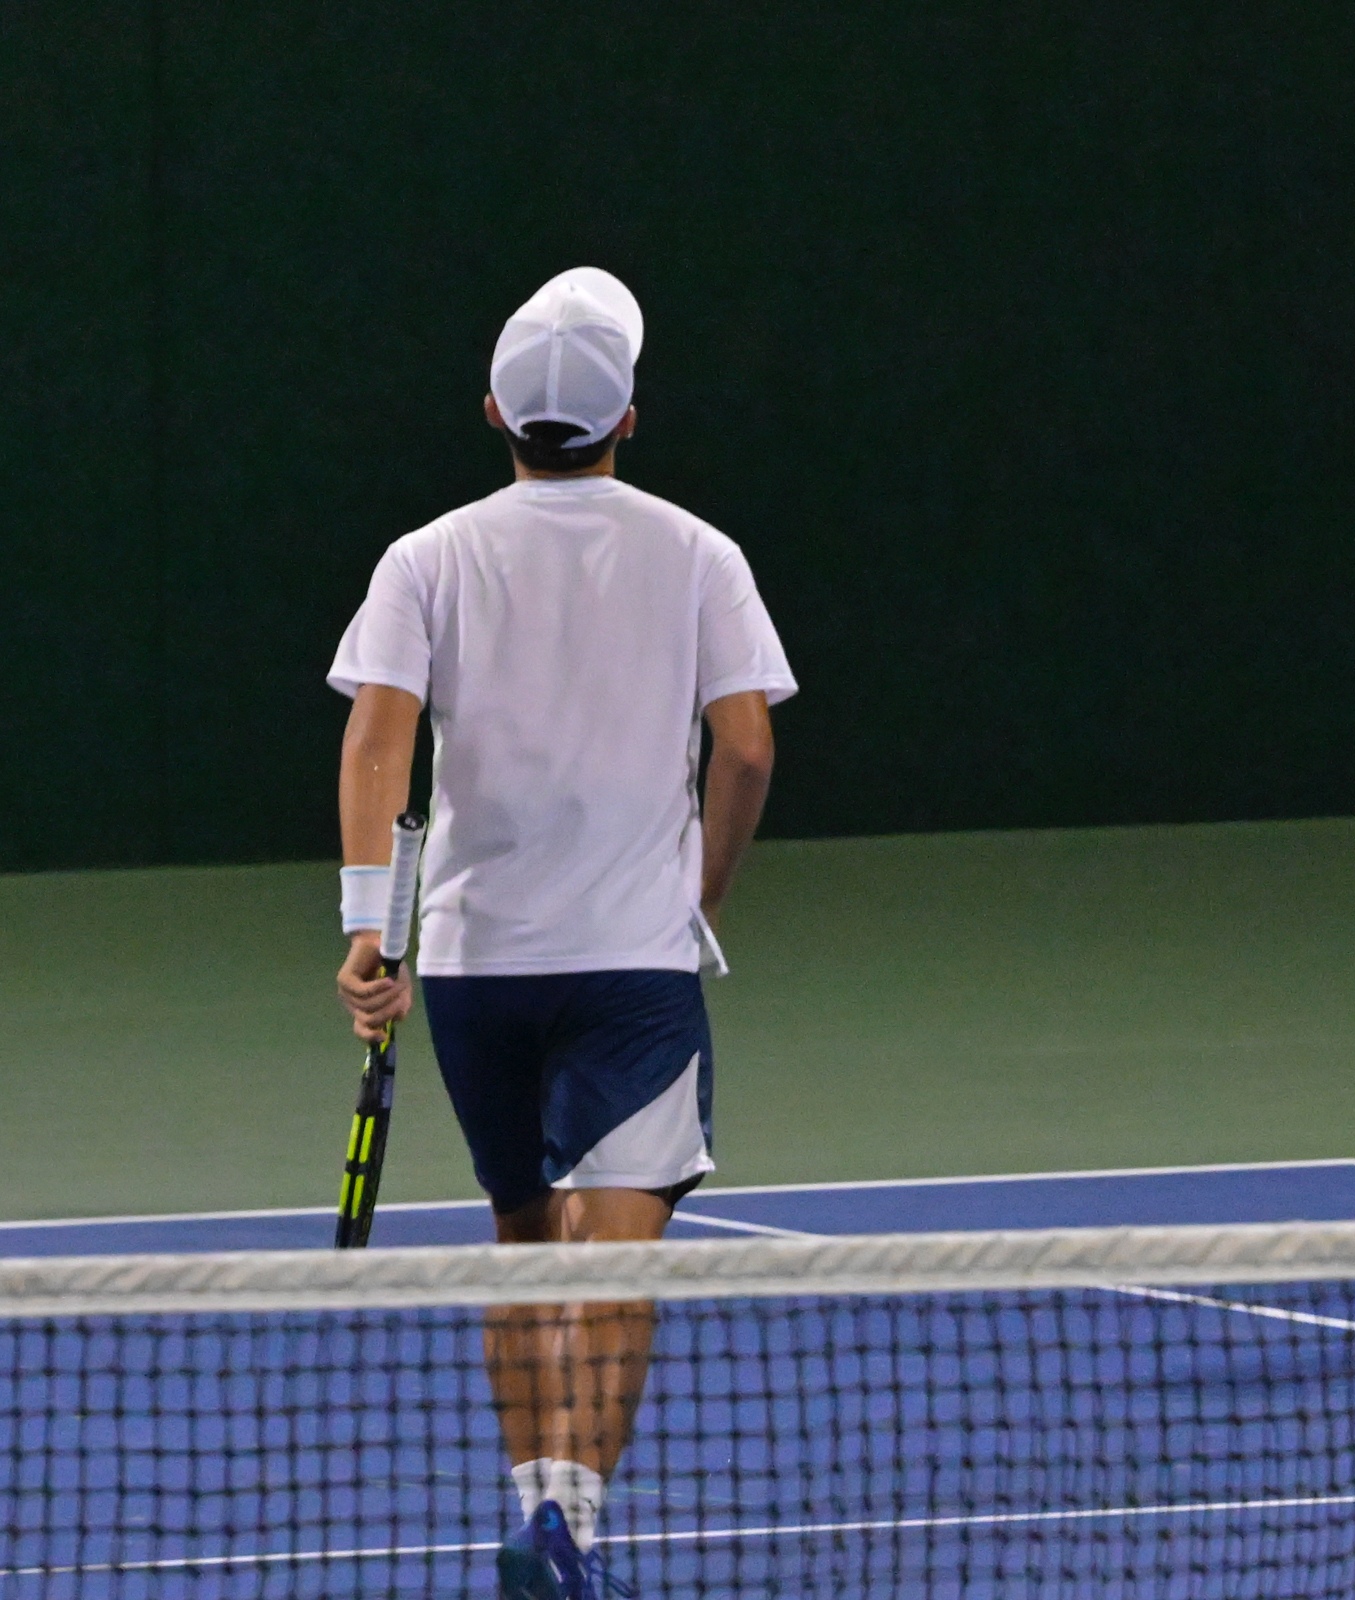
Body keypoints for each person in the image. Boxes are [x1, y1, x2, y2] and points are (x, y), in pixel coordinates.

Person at [329, 267, 796, 1596]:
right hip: (632, 967)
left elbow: (377, 739)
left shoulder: (424, 558)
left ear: (494, 413)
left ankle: (536, 1506)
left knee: (526, 1240)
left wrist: (371, 930)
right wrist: (702, 889)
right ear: (627, 420)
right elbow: (747, 748)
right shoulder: (701, 553)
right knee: (619, 1252)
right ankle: (571, 1526)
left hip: (476, 969)